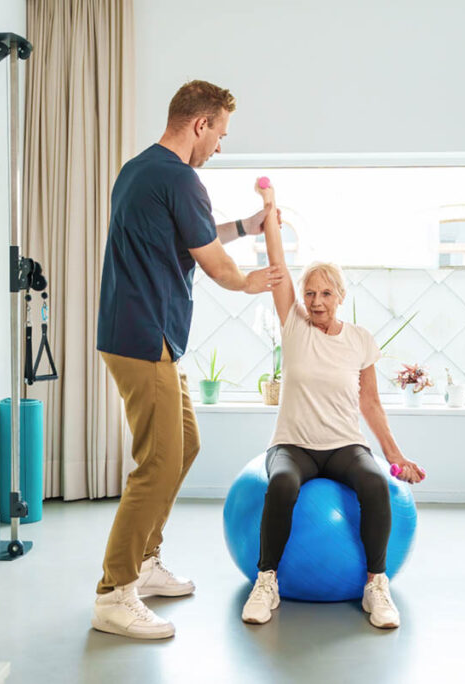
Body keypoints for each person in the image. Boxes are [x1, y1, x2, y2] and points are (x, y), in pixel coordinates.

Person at [92, 81, 283, 640]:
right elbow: (218, 266)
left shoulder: (141, 170)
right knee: (156, 463)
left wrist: (249, 226)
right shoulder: (181, 178)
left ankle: (145, 563)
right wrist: (256, 281)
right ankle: (114, 592)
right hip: (143, 336)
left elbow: (191, 235)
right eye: (219, 134)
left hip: (141, 334)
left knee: (185, 443)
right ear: (199, 124)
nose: (219, 146)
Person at [240, 178, 425, 629]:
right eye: (310, 294)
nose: (316, 301)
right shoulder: (294, 327)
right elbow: (279, 265)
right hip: (294, 444)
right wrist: (269, 207)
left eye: (326, 294)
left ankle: (375, 585)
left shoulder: (360, 340)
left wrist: (395, 457)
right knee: (281, 484)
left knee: (375, 483)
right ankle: (266, 582)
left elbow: (372, 403)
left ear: (341, 297)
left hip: (344, 444)